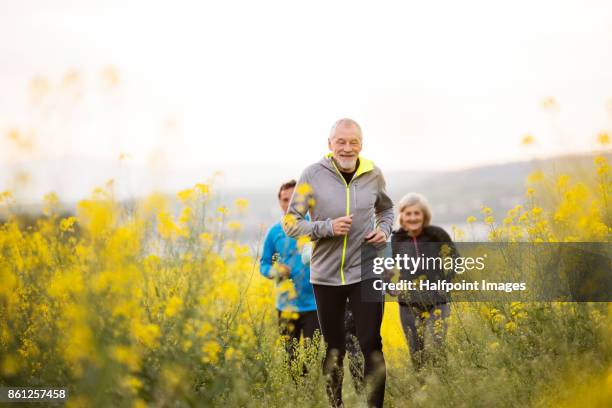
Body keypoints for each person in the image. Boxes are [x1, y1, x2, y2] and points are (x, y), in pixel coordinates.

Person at [283, 118, 393, 408]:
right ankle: (337, 405)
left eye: (353, 142)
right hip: (326, 277)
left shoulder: (373, 174)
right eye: (341, 142)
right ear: (330, 144)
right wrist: (326, 228)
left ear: (361, 144)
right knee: (335, 349)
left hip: (366, 271)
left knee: (371, 345)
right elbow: (291, 224)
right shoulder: (311, 175)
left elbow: (387, 209)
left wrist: (384, 230)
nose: (347, 147)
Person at [389, 192, 457, 370]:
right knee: (416, 354)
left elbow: (455, 261)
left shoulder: (437, 234)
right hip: (408, 304)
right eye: (408, 213)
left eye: (416, 213)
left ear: (424, 215)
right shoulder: (396, 239)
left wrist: (446, 283)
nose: (412, 217)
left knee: (437, 347)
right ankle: (423, 390)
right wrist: (389, 285)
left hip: (437, 302)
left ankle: (443, 388)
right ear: (402, 216)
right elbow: (385, 266)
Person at [260, 180, 319, 375]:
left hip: (314, 305)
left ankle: (310, 397)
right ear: (280, 203)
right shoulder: (274, 232)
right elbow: (264, 264)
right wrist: (275, 271)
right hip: (285, 307)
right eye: (286, 199)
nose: (290, 203)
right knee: (290, 361)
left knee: (312, 359)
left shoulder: (316, 227)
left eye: (294, 199)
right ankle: (298, 397)